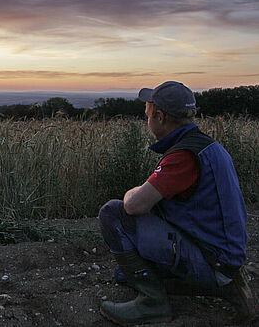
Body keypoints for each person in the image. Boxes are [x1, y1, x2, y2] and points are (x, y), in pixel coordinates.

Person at [97, 81, 256, 326]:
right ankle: (226, 287)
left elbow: (134, 206)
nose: (147, 119)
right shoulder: (207, 146)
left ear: (159, 117)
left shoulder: (183, 156)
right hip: (225, 255)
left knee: (113, 213)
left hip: (213, 259)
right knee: (124, 275)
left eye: (148, 114)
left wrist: (132, 192)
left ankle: (153, 304)